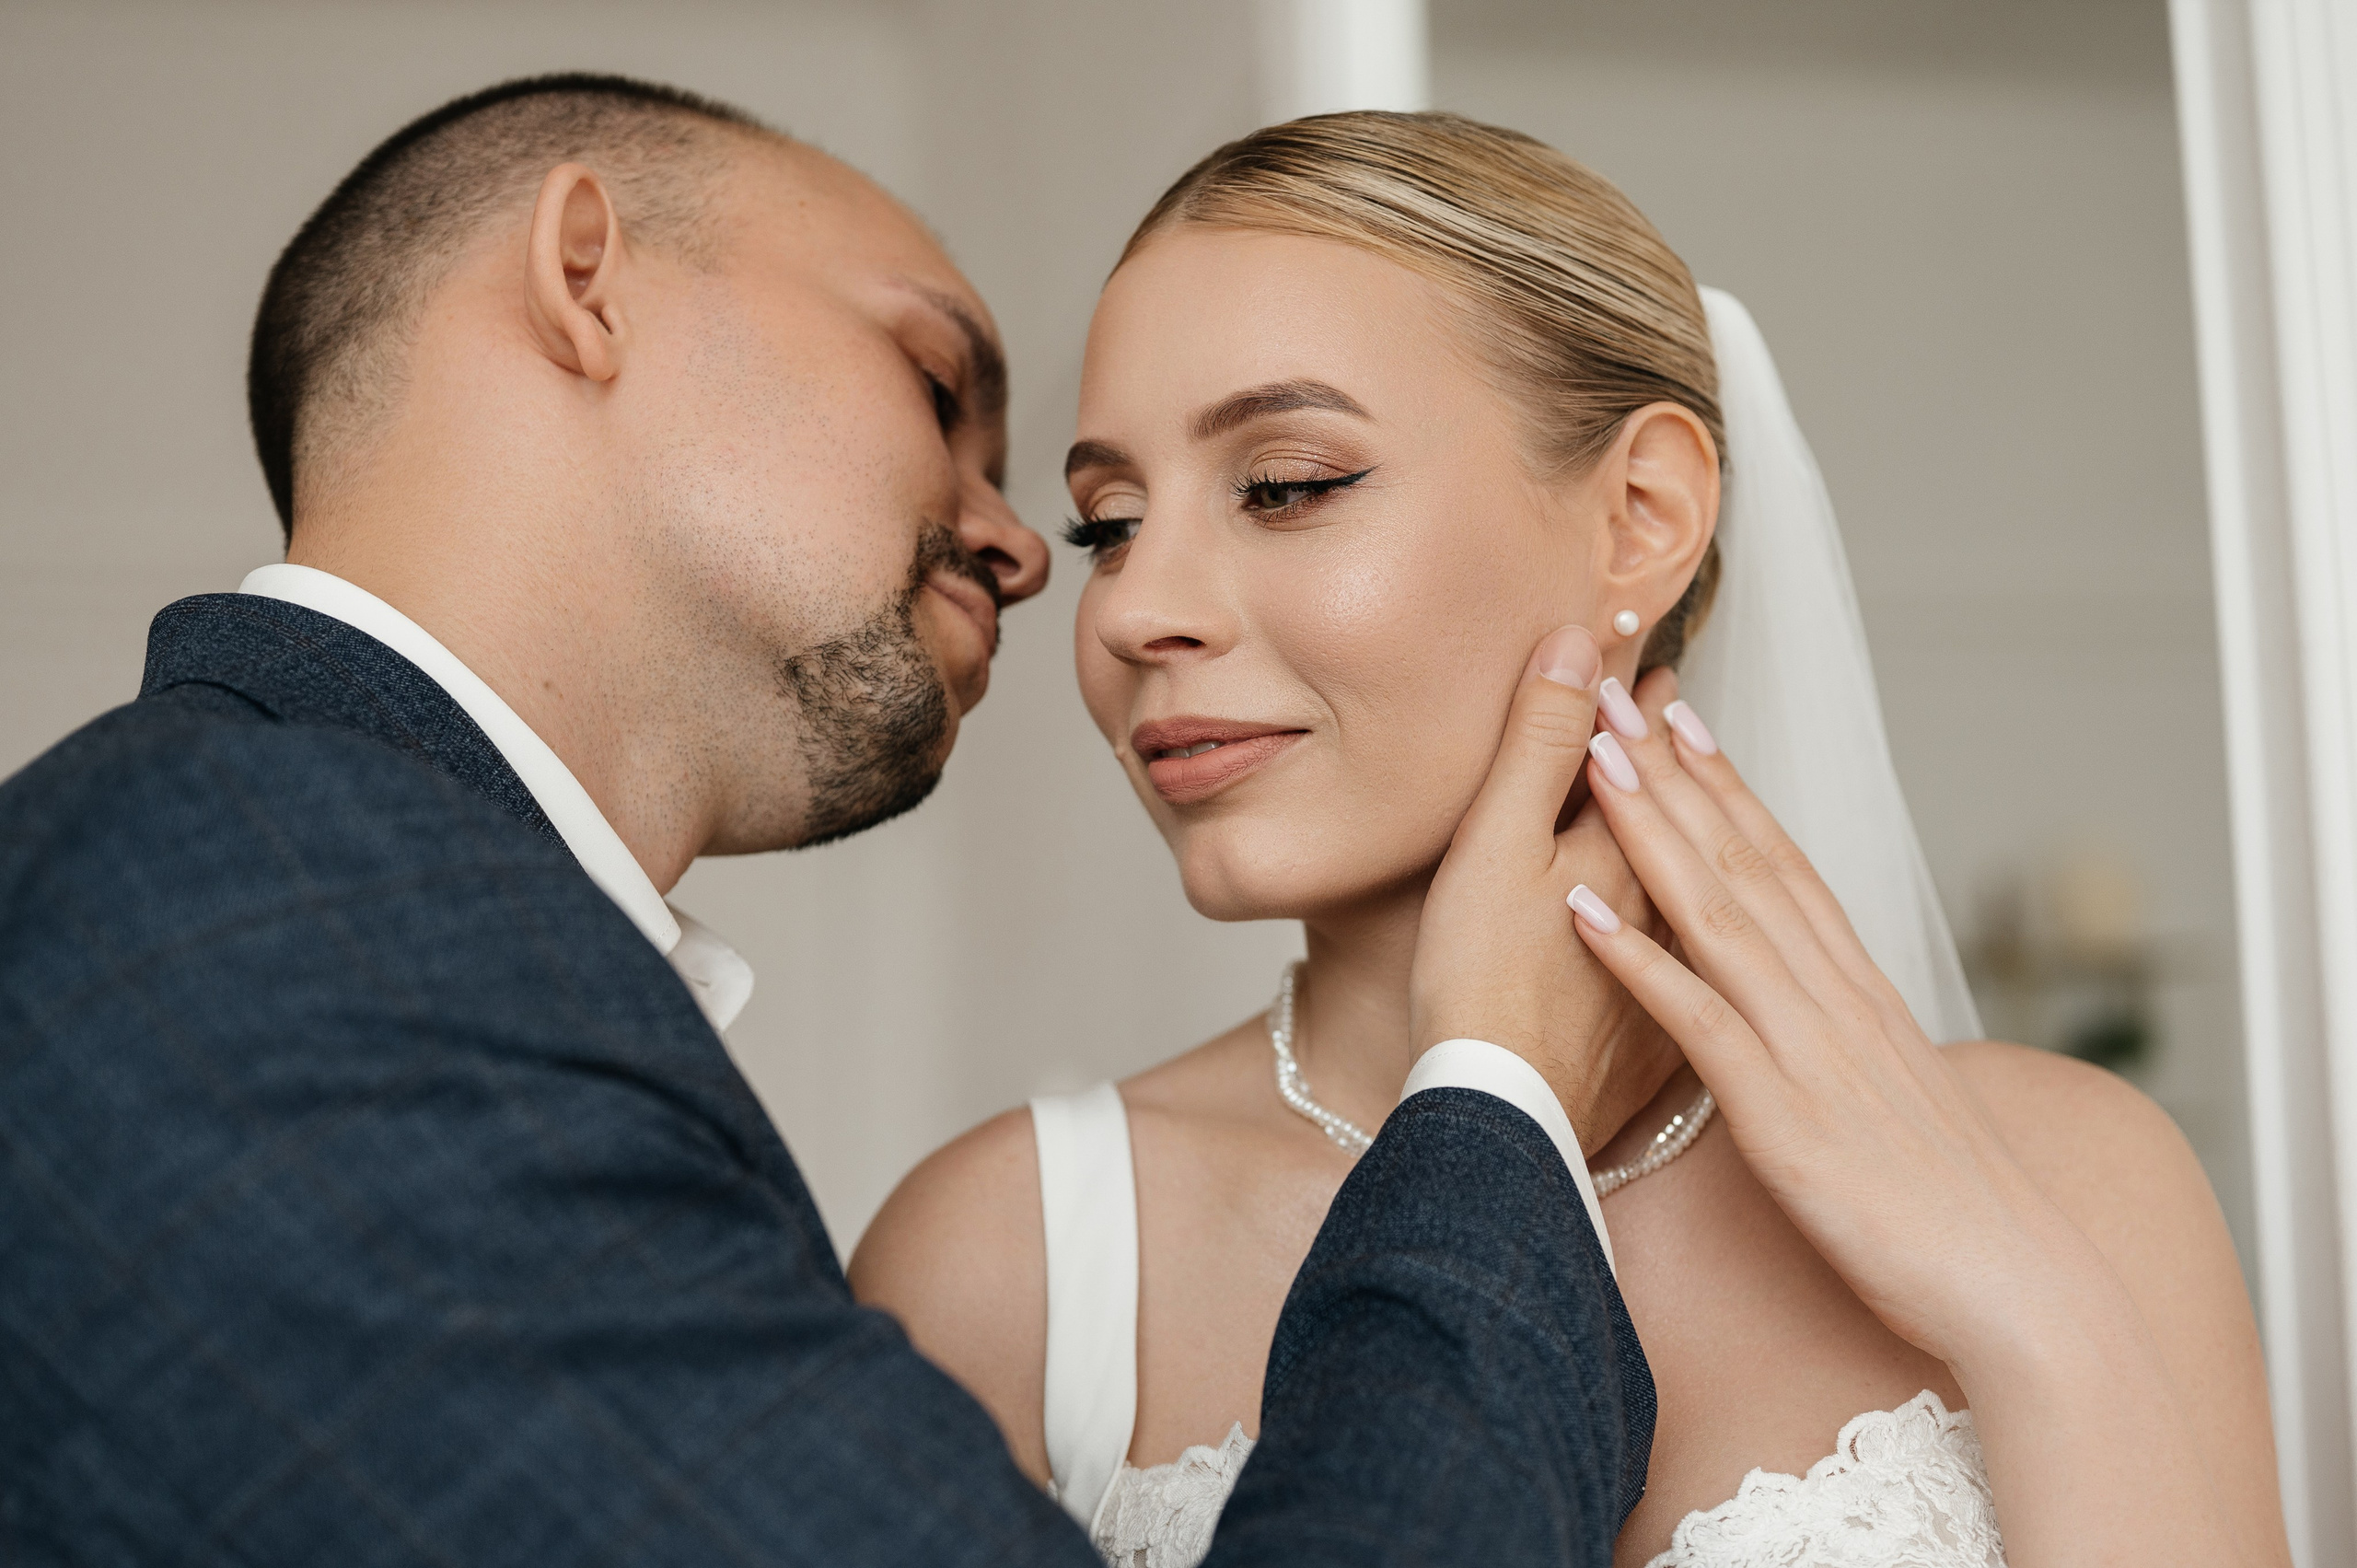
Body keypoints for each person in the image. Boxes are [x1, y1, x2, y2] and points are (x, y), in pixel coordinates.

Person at [0, 79, 1674, 1565]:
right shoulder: (265, 914)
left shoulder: (306, 887)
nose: (1037, 558)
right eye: (941, 384)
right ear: (587, 282)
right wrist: (1500, 1098)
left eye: (1285, 485)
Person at [852, 112, 2293, 1567]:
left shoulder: (2070, 1169)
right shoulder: (1012, 1261)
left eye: (1287, 484)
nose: (1129, 608)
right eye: (1107, 522)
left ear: (1641, 516)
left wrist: (2023, 1304)